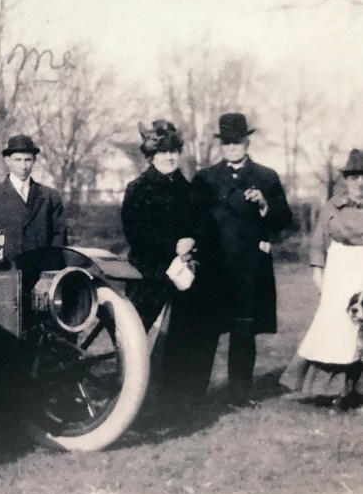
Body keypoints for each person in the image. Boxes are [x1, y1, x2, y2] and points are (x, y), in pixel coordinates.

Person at [193, 112, 293, 407]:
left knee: (244, 330)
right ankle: (197, 394)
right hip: (214, 267)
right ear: (221, 145)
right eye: (227, 143)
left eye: (237, 142)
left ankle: (239, 394)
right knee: (206, 330)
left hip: (249, 267)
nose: (232, 148)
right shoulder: (205, 179)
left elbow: (284, 220)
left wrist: (264, 204)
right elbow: (194, 220)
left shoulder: (266, 177)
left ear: (247, 142)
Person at [121, 120, 220, 407]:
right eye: (163, 151)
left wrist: (192, 241)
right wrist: (171, 248)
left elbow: (204, 224)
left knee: (182, 341)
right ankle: (130, 403)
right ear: (151, 155)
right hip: (149, 277)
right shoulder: (138, 188)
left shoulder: (187, 189)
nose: (170, 156)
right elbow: (136, 233)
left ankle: (174, 404)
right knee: (139, 343)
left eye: (174, 150)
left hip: (184, 276)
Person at [280, 149, 363, 409]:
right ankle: (334, 391)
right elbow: (318, 243)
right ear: (346, 180)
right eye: (353, 177)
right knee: (334, 329)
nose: (360, 183)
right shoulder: (332, 207)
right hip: (338, 273)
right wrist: (318, 274)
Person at [0, 135, 67, 284]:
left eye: (28, 160)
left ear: (34, 161)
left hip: (42, 276)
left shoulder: (50, 196)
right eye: (18, 160)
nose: (23, 166)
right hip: (5, 275)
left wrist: (50, 274)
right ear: (7, 161)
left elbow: (59, 238)